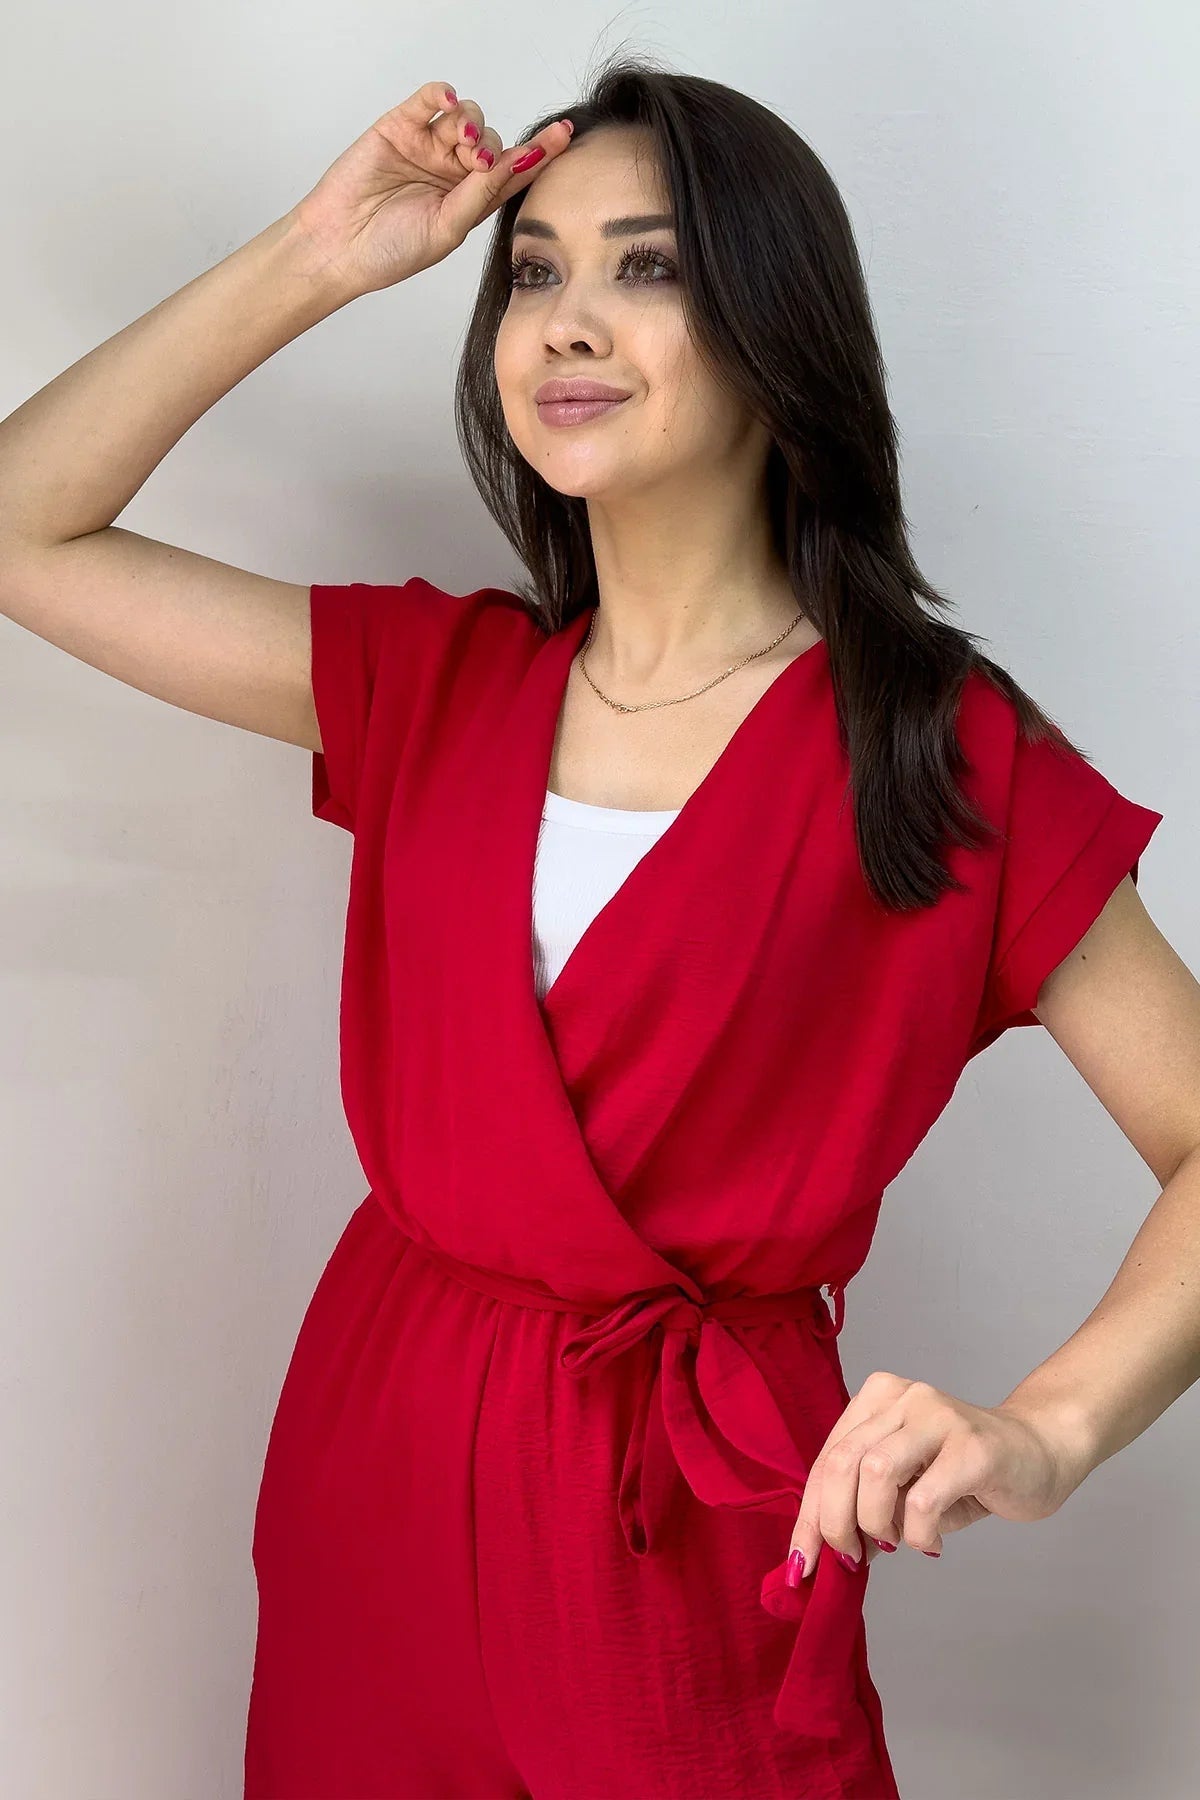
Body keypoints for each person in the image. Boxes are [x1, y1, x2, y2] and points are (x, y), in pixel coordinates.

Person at [2, 52, 1195, 1800]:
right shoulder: (434, 687)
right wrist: (320, 255)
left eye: (647, 268)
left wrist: (1050, 1427)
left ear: (778, 330)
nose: (566, 319)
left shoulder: (938, 759)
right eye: (532, 270)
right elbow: (24, 527)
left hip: (690, 1538)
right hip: (379, 1478)